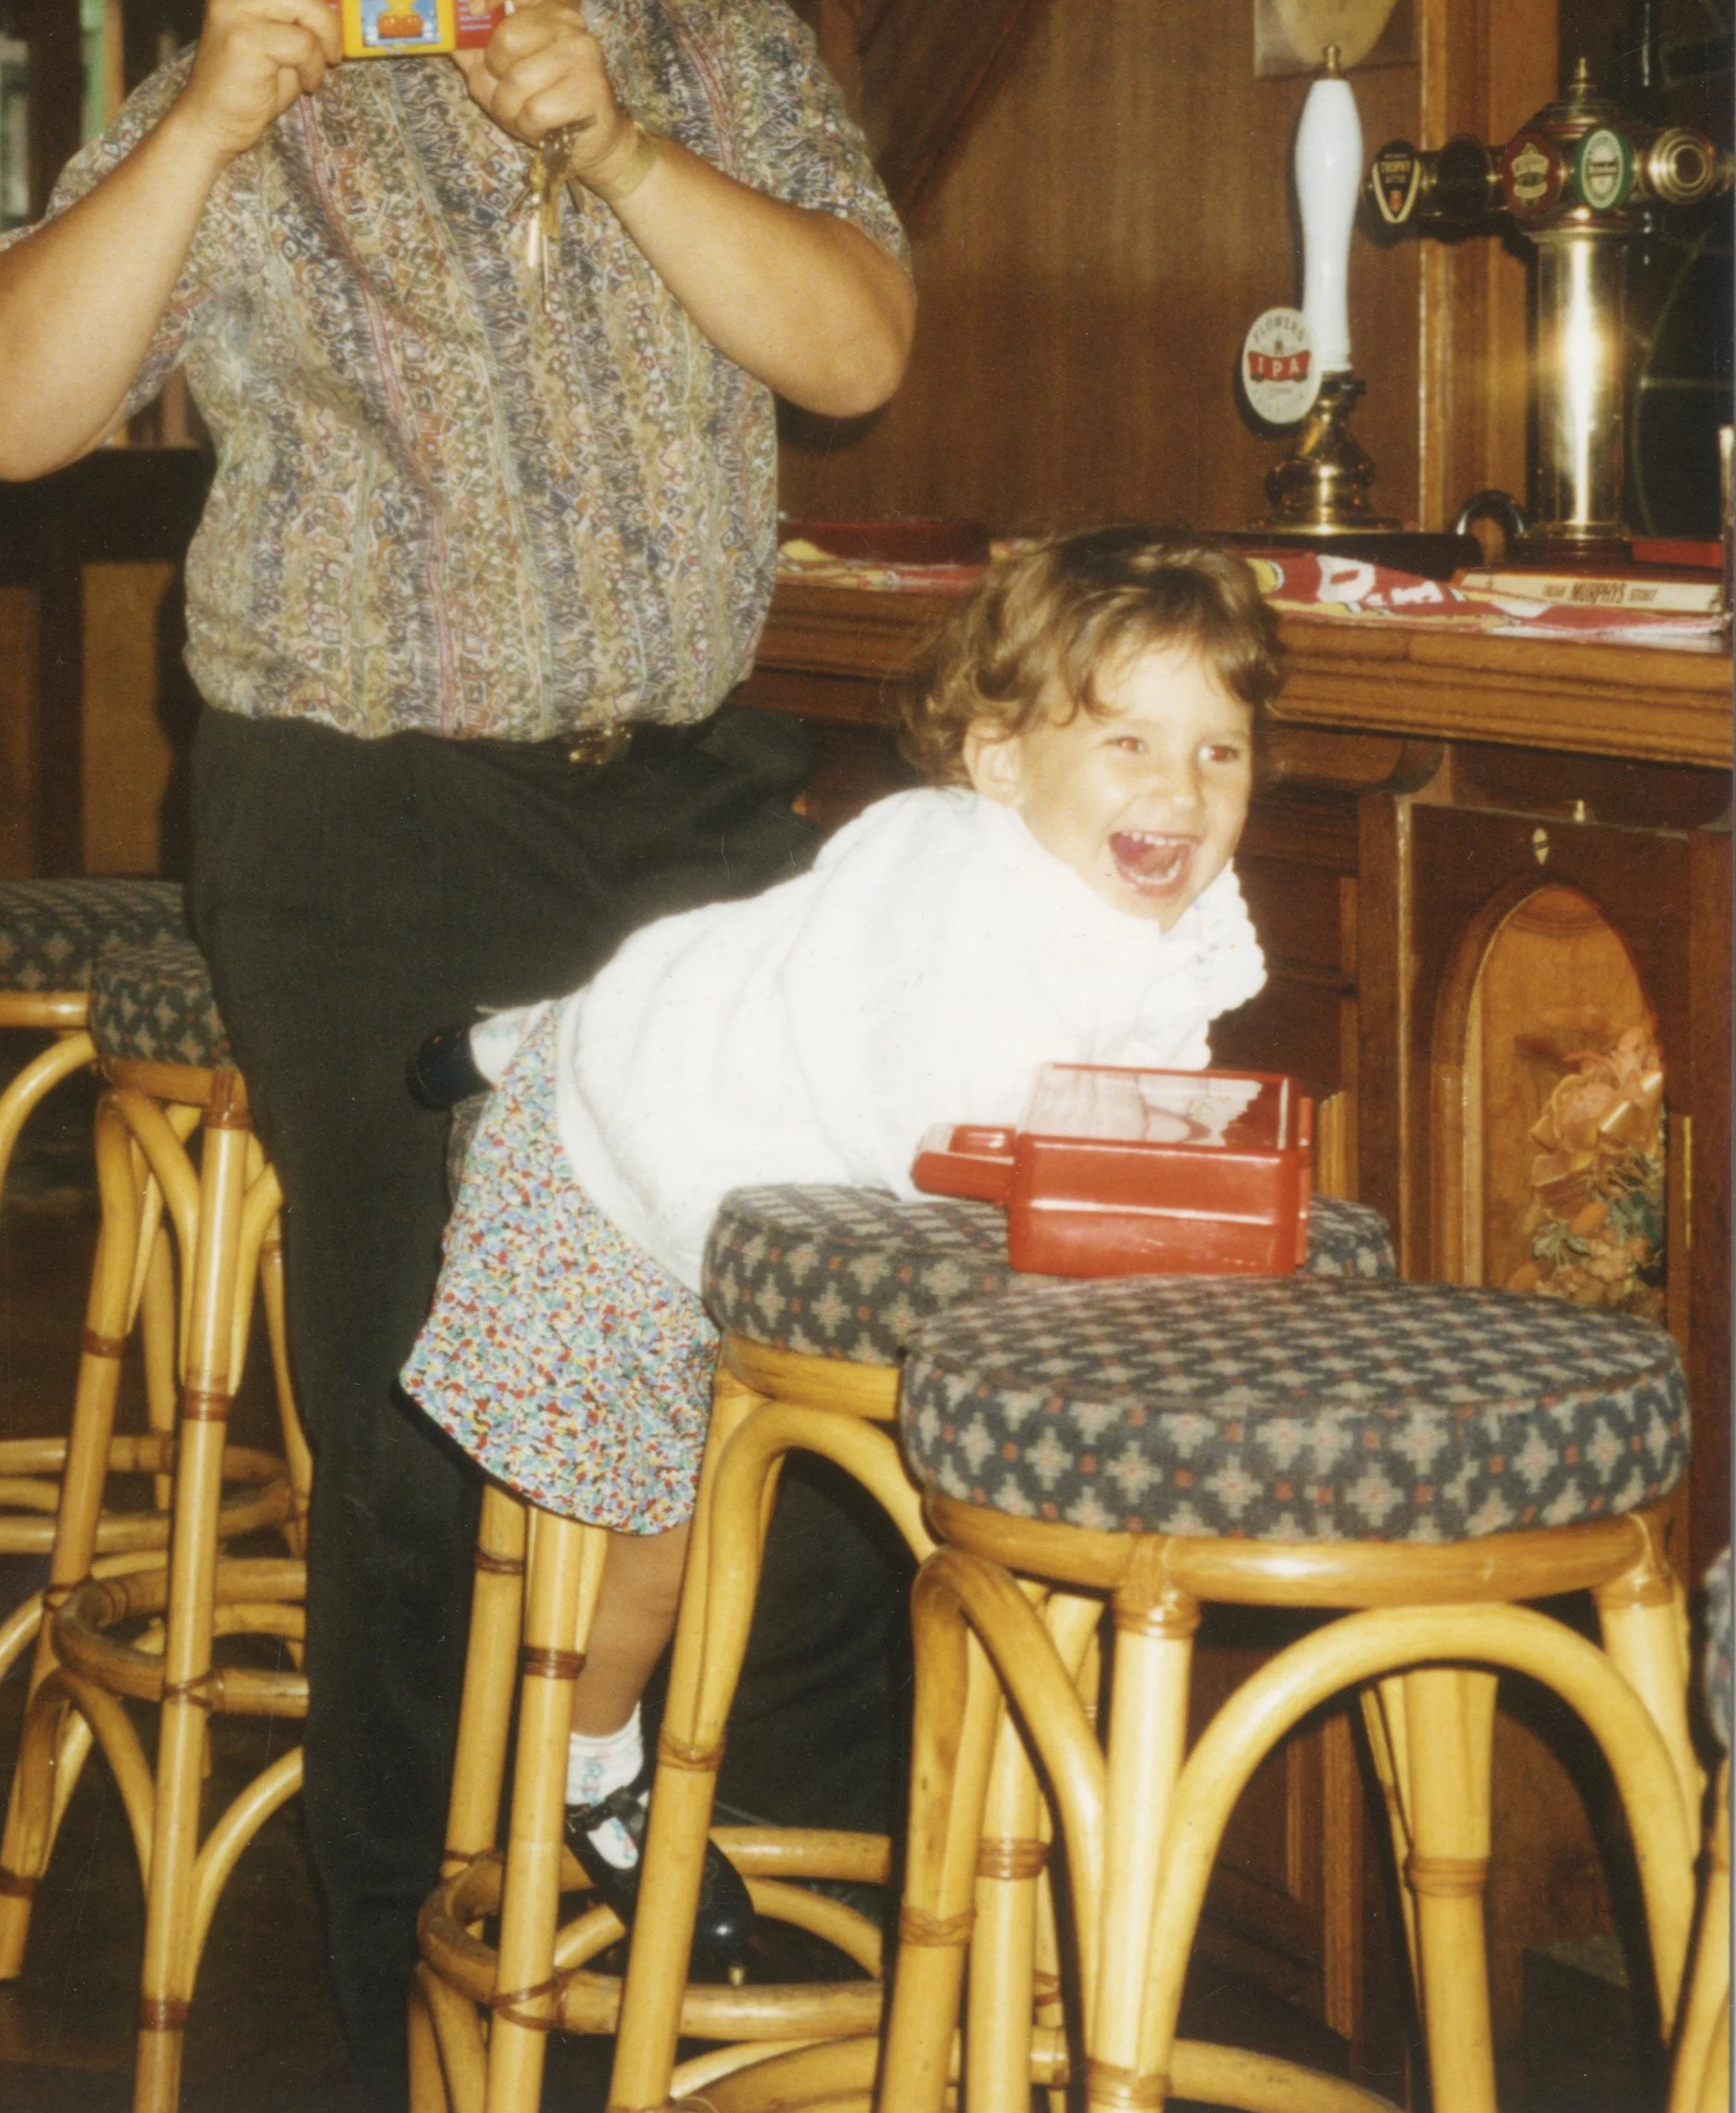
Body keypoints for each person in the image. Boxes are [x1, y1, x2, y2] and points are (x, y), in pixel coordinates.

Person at [0, 0, 915, 2103]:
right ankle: (417, 2027)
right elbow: (7, 418)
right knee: (437, 1422)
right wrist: (211, 112)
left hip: (692, 809)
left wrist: (603, 139)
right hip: (357, 810)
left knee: (794, 1352)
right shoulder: (234, 85)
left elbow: (859, 346)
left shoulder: (721, 49)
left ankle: (771, 1984)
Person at [401, 527, 1277, 1943]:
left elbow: (1138, 1084)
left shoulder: (1140, 905)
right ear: (998, 760)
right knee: (652, 1528)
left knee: (689, 984)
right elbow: (906, 1122)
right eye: (1126, 743)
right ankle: (586, 1761)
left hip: (723, 1058)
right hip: (624, 1154)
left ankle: (510, 1032)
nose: (1178, 790)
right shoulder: (945, 893)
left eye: (1218, 753)